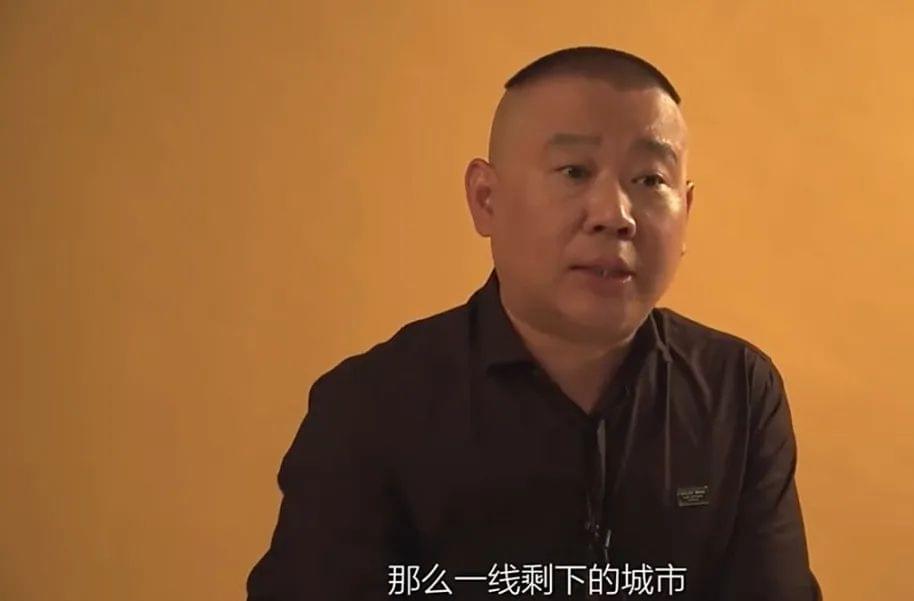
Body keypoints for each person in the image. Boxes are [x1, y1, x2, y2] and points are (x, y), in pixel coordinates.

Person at [246, 46, 821, 600]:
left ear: (686, 212)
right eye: (574, 171)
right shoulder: (370, 407)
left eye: (650, 180)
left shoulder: (738, 391)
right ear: (486, 200)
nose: (614, 215)